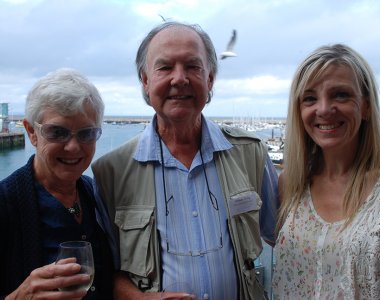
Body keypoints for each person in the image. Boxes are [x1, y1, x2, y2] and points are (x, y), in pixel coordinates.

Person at [92, 21, 279, 300]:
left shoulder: (250, 153)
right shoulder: (112, 172)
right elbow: (105, 272)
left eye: (193, 66)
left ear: (210, 79)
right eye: (165, 67)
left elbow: (283, 238)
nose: (180, 78)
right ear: (145, 80)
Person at [272, 44, 380, 299]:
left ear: (365, 106)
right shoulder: (292, 183)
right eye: (309, 98)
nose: (323, 109)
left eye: (340, 95)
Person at [0, 68, 115, 299]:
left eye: (86, 134)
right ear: (32, 132)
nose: (73, 146)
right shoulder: (6, 202)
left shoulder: (94, 193)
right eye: (57, 132)